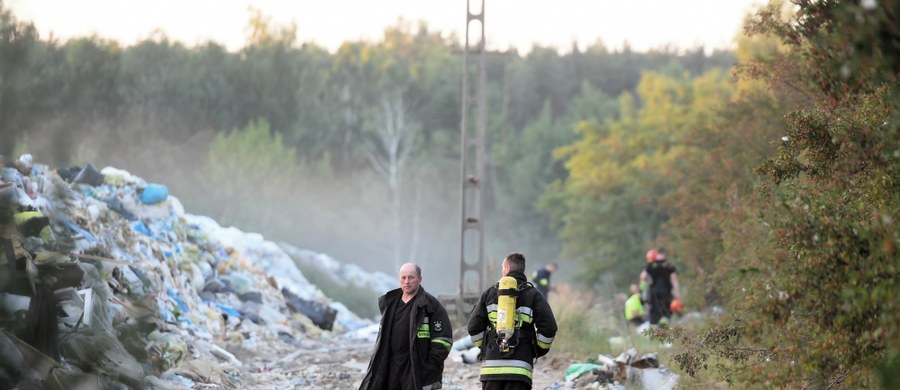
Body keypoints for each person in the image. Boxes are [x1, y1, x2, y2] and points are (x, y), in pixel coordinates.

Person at [468, 252, 558, 390]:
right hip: (520, 368)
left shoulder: (490, 293)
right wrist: (536, 349)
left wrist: (486, 346)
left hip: (491, 369)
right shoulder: (533, 294)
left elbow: (473, 327)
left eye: (503, 268)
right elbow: (549, 327)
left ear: (508, 269)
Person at [359, 263, 453, 390]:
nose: (407, 282)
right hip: (392, 366)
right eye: (403, 277)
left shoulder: (431, 306)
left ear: (420, 279)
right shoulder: (390, 304)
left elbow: (443, 340)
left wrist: (428, 366)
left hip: (417, 368)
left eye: (411, 277)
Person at [639, 248, 681, 326]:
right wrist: (678, 294)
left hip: (654, 293)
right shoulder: (668, 264)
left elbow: (643, 277)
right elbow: (674, 279)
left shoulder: (651, 265)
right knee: (667, 312)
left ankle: (656, 331)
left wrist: (642, 290)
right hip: (666, 292)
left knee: (655, 314)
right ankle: (667, 328)